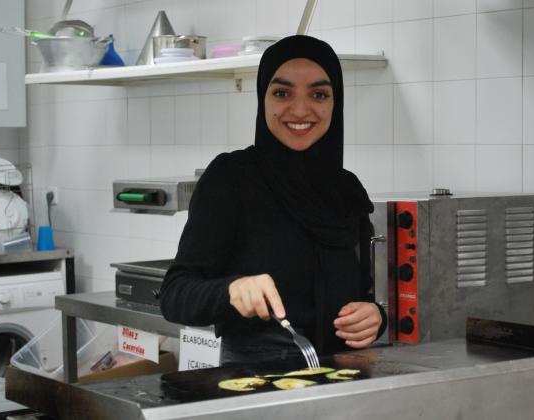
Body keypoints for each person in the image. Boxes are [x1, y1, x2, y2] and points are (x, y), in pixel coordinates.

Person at [160, 35, 387, 365]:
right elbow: (174, 295)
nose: (299, 109)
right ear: (262, 98)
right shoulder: (231, 178)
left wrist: (376, 316)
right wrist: (231, 290)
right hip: (255, 383)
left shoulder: (346, 189)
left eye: (318, 94)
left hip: (345, 380)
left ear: (334, 103)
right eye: (282, 93)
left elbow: (368, 292)